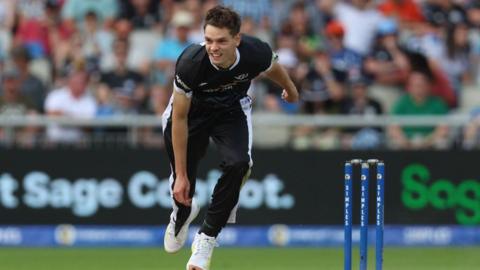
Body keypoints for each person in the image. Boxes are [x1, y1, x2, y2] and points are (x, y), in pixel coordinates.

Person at [162, 5, 298, 270]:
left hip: (231, 109)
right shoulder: (191, 62)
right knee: (183, 185)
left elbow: (274, 67)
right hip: (191, 115)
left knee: (239, 164)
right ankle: (182, 213)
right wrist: (180, 175)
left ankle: (207, 237)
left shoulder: (254, 51)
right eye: (209, 40)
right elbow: (178, 118)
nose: (214, 47)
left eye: (222, 41)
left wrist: (290, 90)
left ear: (237, 39)